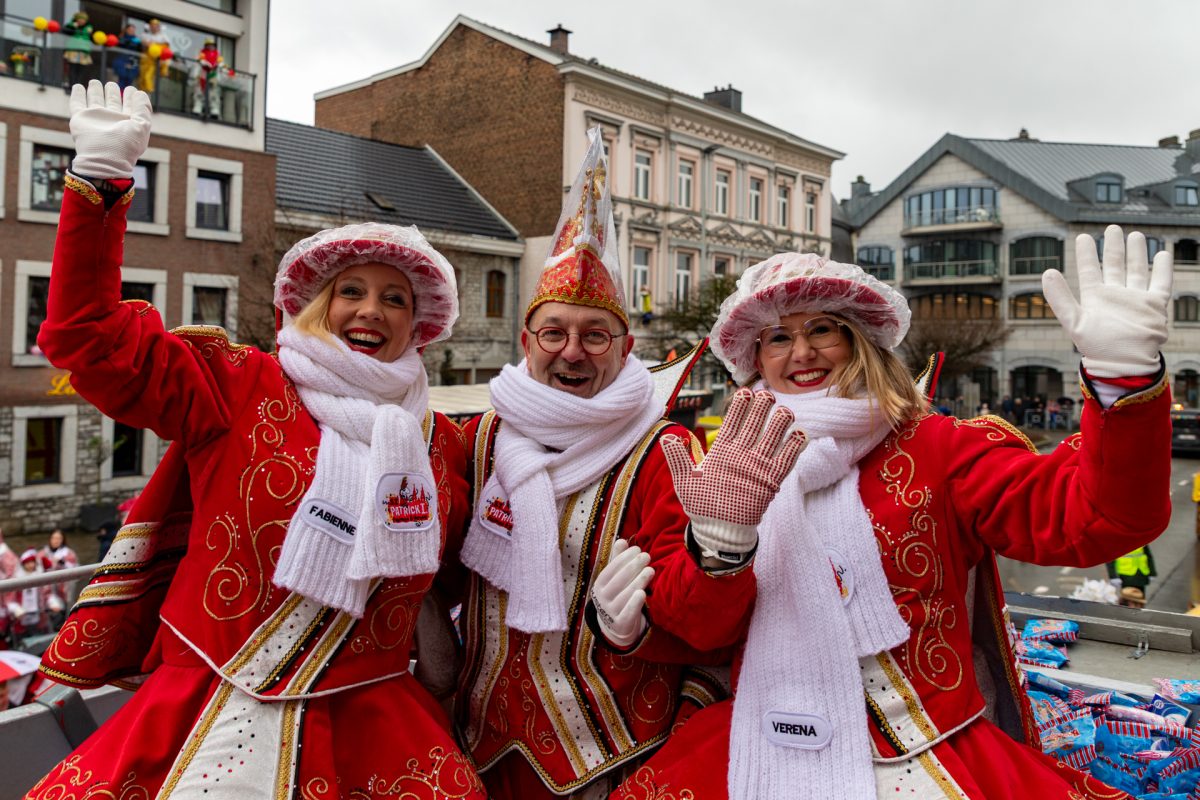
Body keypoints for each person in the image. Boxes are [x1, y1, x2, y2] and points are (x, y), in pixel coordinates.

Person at [27, 82, 485, 799]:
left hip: (374, 724)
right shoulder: (238, 383)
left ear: (416, 325)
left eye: (394, 298)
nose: (371, 310)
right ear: (316, 306)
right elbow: (87, 340)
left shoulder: (441, 443)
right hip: (206, 711)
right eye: (352, 291)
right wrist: (100, 182)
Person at [605, 231, 1172, 799]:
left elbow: (1097, 519)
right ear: (755, 359)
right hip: (759, 741)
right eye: (778, 337)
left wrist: (1121, 384)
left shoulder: (936, 446)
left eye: (821, 329)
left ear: (860, 340)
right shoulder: (727, 468)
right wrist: (719, 548)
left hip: (924, 751)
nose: (801, 353)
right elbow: (699, 632)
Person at [450, 127, 800, 800]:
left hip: (609, 757)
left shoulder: (664, 452)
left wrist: (652, 610)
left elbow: (707, 625)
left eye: (595, 336)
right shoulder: (480, 439)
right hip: (478, 743)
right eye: (555, 333)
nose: (573, 352)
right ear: (528, 341)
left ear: (625, 347)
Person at [38, 528, 78, 623]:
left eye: (58, 538)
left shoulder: (69, 553)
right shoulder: (42, 554)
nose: (56, 541)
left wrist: (62, 562)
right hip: (47, 589)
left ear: (62, 540)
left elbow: (75, 569)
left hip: (64, 588)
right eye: (53, 538)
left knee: (65, 610)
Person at [60, 11, 93, 88]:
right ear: (77, 19)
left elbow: (94, 38)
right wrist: (72, 26)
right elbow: (64, 31)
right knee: (72, 69)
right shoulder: (72, 26)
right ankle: (72, 85)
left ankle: (78, 86)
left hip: (84, 52)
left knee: (81, 71)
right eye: (80, 19)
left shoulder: (89, 28)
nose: (81, 21)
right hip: (73, 50)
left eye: (83, 19)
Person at [137, 18, 169, 93]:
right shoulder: (145, 35)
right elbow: (142, 46)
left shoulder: (163, 37)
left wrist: (154, 46)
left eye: (156, 26)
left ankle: (149, 95)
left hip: (155, 61)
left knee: (148, 77)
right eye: (152, 26)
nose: (154, 27)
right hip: (145, 60)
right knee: (142, 78)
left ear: (158, 27)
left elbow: (166, 48)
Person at [114, 23, 141, 90]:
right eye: (130, 29)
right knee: (121, 82)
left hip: (132, 63)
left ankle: (126, 98)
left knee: (129, 84)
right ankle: (120, 97)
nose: (132, 31)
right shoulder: (121, 38)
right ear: (126, 30)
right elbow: (119, 45)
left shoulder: (137, 41)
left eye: (133, 30)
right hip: (122, 62)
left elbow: (139, 50)